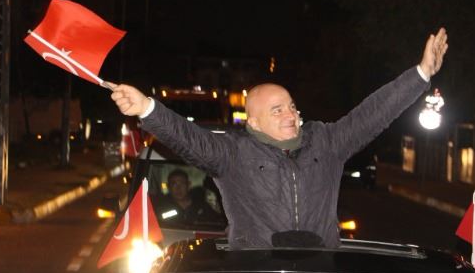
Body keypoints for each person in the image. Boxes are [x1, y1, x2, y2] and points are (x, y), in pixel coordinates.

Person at [111, 28, 449, 248]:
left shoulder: (326, 142)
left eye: (291, 107)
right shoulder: (233, 154)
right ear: (254, 122)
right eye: (277, 110)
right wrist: (147, 109)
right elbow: (189, 139)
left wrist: (421, 74)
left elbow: (372, 114)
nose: (290, 114)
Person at [156, 168, 221, 225]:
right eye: (174, 184)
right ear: (168, 187)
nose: (178, 188)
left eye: (182, 183)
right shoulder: (161, 208)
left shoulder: (202, 206)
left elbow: (217, 223)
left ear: (189, 185)